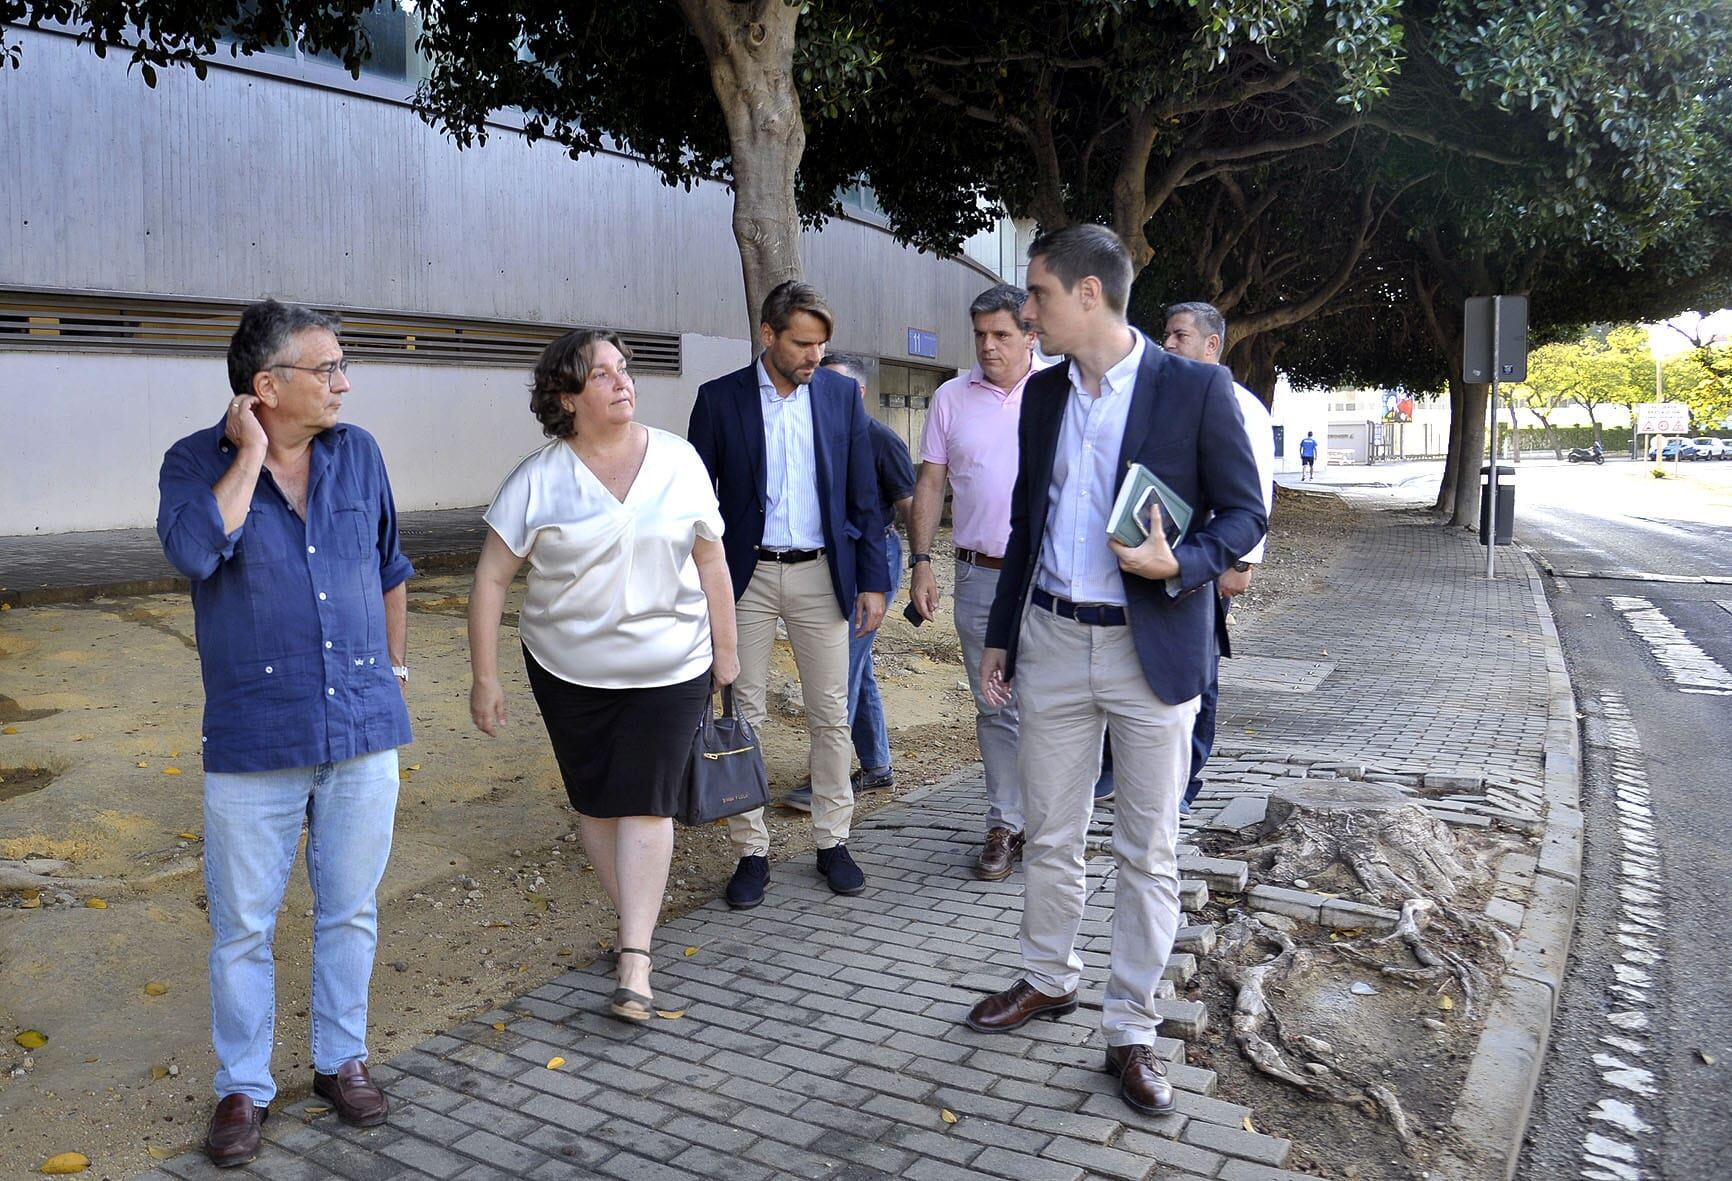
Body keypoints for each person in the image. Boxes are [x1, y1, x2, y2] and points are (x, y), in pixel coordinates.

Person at [965, 226, 1266, 1118]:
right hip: (1054, 638)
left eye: (1039, 296)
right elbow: (1029, 520)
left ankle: (1131, 1026)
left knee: (1148, 850)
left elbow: (1244, 513)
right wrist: (1003, 636)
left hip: (1153, 651)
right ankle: (1047, 976)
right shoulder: (1044, 393)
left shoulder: (1198, 389)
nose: (1027, 313)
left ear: (1088, 294)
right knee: (1051, 831)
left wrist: (1183, 564)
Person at [157, 299, 412, 1168]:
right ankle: (243, 1085)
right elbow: (195, 552)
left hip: (362, 726)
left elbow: (390, 568)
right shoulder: (196, 461)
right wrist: (253, 454)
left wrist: (395, 671)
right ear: (266, 387)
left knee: (350, 908)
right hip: (255, 738)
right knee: (242, 926)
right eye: (327, 368)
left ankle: (342, 1059)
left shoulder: (361, 454)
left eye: (342, 367)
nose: (343, 382)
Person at [468, 329, 738, 1023]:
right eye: (602, 374)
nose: (623, 382)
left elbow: (711, 563)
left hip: (670, 662)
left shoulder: (678, 462)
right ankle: (635, 925)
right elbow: (493, 578)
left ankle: (635, 959)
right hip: (567, 667)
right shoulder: (538, 478)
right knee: (595, 802)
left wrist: (727, 652)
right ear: (567, 397)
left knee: (648, 801)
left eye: (625, 369)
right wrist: (484, 676)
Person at [687, 281, 890, 908]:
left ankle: (833, 839)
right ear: (769, 335)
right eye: (802, 344)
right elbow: (696, 503)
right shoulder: (718, 400)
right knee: (740, 715)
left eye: (821, 345)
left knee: (830, 712)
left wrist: (876, 580)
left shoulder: (836, 396)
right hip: (744, 579)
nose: (813, 356)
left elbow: (863, 495)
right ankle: (751, 850)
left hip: (821, 576)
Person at [909, 283, 1048, 879]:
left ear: (1031, 335)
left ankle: (1054, 826)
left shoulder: (1062, 391)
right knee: (995, 706)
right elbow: (931, 484)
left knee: (1052, 704)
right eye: (981, 335)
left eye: (1002, 335)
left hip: (1052, 578)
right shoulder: (949, 398)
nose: (988, 347)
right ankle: (1005, 823)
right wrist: (921, 560)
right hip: (980, 577)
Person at [1161, 301, 1277, 813]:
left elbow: (1253, 494)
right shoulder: (1159, 396)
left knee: (1198, 671)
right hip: (1157, 560)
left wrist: (1241, 562)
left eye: (1179, 336)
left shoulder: (1242, 406)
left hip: (1210, 561)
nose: (1167, 344)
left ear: (1212, 345)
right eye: (1165, 334)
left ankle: (1186, 780)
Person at [785, 354, 913, 811]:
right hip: (836, 560)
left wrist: (920, 566)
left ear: (857, 393)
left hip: (875, 559)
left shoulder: (881, 440)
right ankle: (876, 765)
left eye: (833, 386)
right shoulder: (820, 438)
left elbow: (909, 504)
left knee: (843, 666)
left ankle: (828, 780)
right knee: (858, 665)